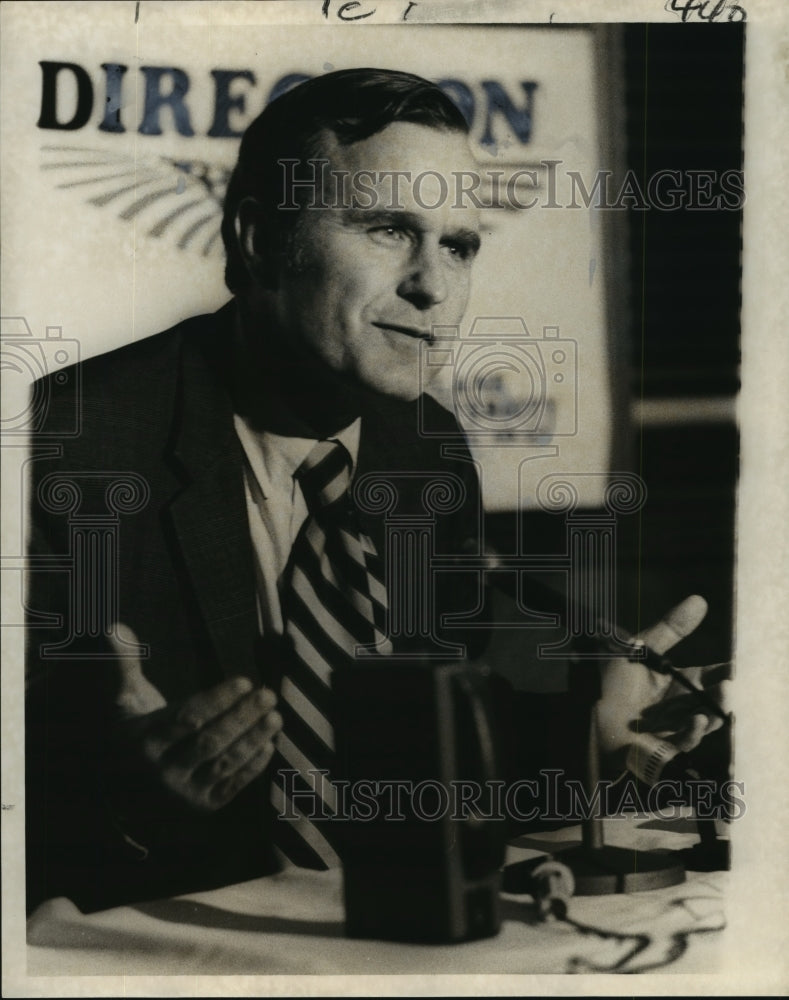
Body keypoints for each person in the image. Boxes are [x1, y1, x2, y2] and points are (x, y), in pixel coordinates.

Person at [25, 68, 725, 914]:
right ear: (258, 240)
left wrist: (595, 738)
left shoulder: (422, 451)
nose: (433, 286)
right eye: (390, 230)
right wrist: (115, 795)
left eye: (459, 246)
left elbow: (419, 758)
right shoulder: (67, 448)